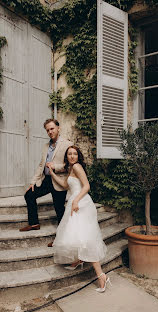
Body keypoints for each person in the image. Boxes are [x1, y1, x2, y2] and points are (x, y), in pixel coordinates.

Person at [48, 145, 110, 293]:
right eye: (69, 154)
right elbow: (64, 185)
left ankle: (101, 276)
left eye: (74, 154)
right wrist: (52, 173)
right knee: (76, 234)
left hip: (81, 203)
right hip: (75, 203)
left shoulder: (76, 167)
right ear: (66, 156)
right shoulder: (70, 169)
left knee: (85, 238)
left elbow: (87, 186)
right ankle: (79, 260)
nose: (72, 156)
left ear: (78, 156)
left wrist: (76, 201)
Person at [19, 119, 72, 248]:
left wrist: (55, 166)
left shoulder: (67, 144)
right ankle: (34, 223)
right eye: (47, 130)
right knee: (29, 195)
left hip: (59, 181)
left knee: (59, 209)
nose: (50, 132)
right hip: (47, 180)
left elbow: (70, 164)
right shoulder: (45, 146)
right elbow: (41, 165)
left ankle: (61, 237)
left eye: (52, 129)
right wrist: (33, 182)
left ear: (58, 128)